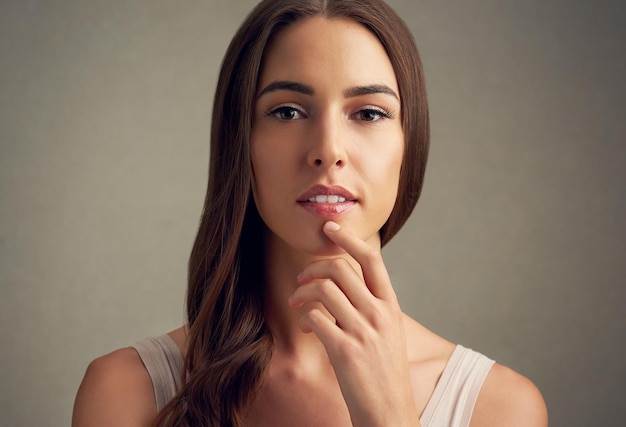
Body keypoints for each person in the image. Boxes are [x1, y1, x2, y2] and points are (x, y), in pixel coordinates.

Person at [72, 0, 548, 426]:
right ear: (240, 142)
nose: (328, 150)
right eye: (287, 112)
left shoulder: (499, 408)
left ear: (410, 144)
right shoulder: (128, 393)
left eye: (368, 113)